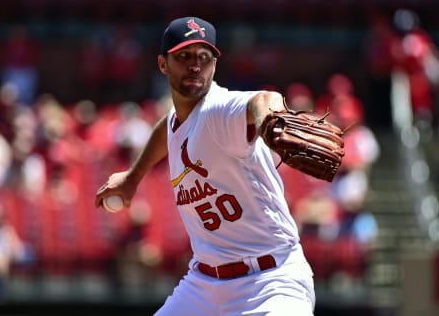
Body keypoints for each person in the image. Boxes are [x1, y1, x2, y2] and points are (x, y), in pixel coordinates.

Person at [95, 16, 316, 315]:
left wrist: (267, 120)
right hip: (203, 286)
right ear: (163, 64)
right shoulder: (179, 120)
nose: (195, 66)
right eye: (184, 56)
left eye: (204, 57)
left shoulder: (220, 110)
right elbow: (170, 129)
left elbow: (264, 99)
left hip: (270, 281)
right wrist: (133, 177)